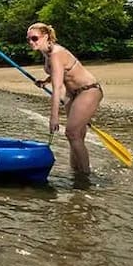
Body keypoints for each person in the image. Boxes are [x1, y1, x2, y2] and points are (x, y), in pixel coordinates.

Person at [27, 22, 103, 175]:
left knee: (72, 133)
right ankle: (76, 171)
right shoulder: (46, 53)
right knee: (76, 136)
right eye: (28, 39)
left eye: (34, 38)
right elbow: (60, 73)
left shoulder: (56, 53)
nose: (31, 42)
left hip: (88, 91)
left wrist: (54, 117)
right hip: (73, 94)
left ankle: (85, 177)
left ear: (46, 36)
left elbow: (58, 88)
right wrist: (45, 81)